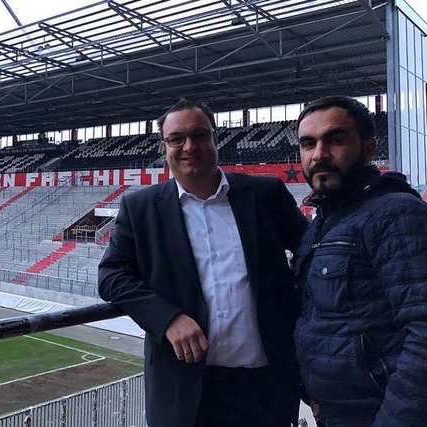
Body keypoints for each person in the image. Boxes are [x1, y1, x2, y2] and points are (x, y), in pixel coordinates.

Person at [98, 99, 308, 427]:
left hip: (265, 387)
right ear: (164, 145)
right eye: (176, 138)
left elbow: (310, 252)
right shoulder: (140, 207)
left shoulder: (265, 194)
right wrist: (167, 318)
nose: (189, 147)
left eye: (199, 135)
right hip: (185, 393)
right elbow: (111, 275)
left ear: (215, 138)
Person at [293, 96, 427, 427]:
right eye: (308, 144)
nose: (319, 154)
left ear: (368, 148)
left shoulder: (395, 213)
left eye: (335, 139)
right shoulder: (325, 218)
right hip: (335, 412)